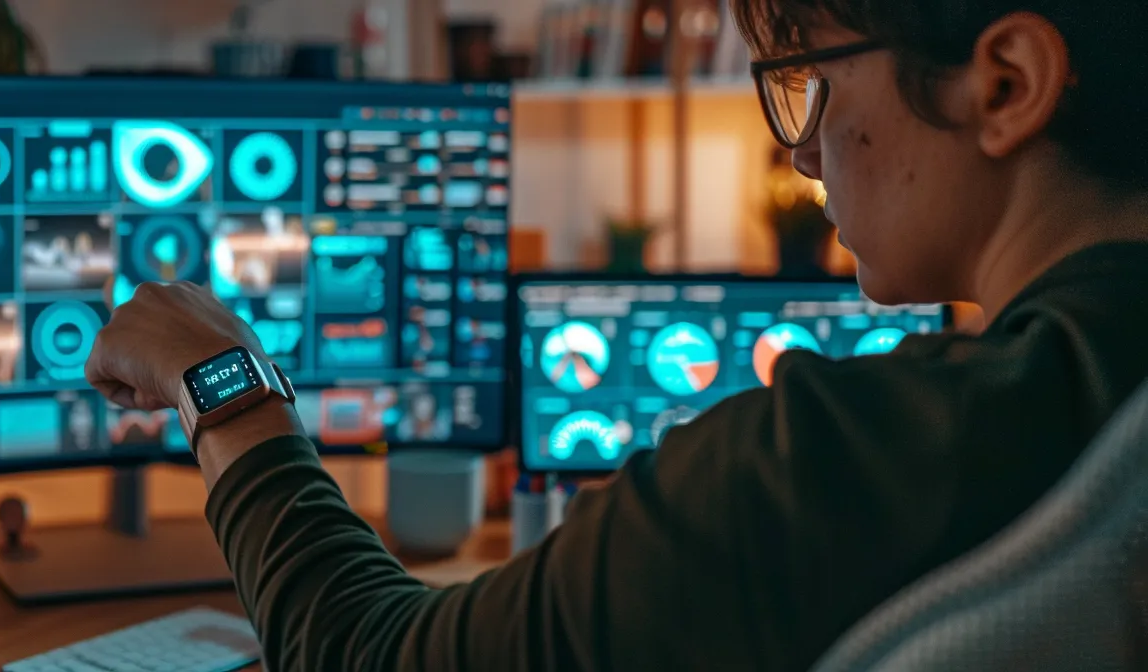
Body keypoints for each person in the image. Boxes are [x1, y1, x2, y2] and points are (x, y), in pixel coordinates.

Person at [84, 1, 1148, 669]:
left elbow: (363, 654)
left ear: (1004, 83)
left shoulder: (830, 462)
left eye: (808, 82)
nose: (806, 157)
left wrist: (222, 380)